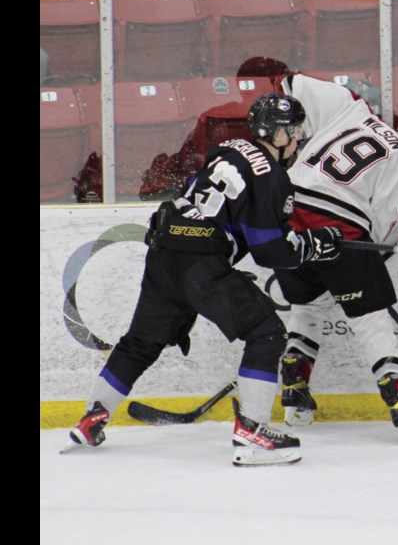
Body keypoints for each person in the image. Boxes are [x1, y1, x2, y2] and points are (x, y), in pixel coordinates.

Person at [66, 93, 343, 466]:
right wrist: (313, 245)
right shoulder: (272, 176)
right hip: (201, 264)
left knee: (141, 343)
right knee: (267, 334)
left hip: (164, 255)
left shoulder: (228, 149)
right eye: (292, 130)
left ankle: (91, 416)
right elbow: (269, 251)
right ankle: (253, 432)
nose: (296, 138)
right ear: (276, 134)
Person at [272, 72, 398, 444]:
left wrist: (296, 146)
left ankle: (295, 395)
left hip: (287, 216)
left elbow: (291, 83)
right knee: (371, 324)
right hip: (339, 232)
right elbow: (384, 233)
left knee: (307, 310)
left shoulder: (351, 108)